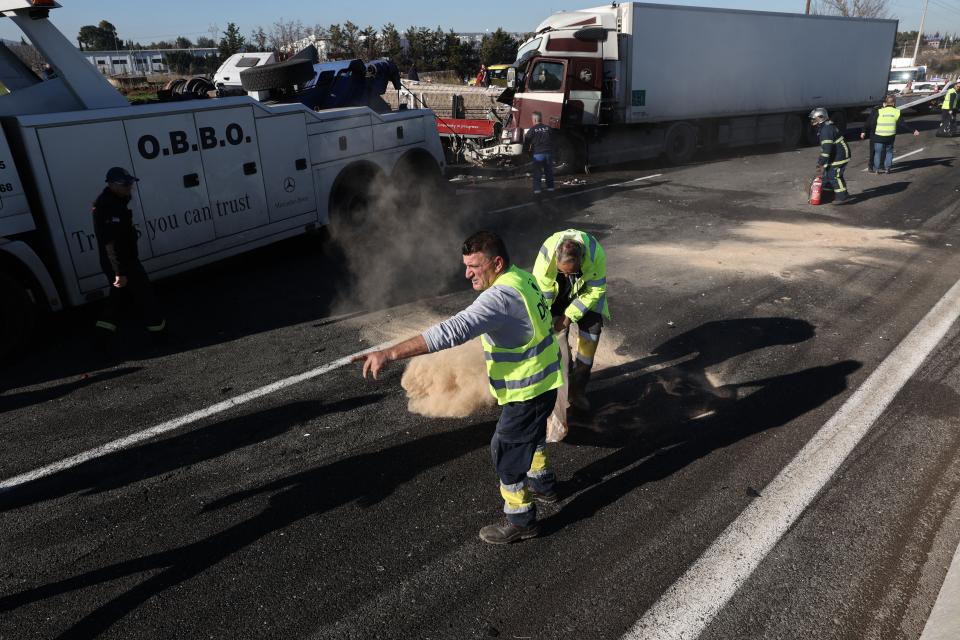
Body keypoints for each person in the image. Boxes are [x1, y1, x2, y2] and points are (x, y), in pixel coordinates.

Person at [354, 231, 563, 545]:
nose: (467, 274)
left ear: (497, 263)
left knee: (504, 450)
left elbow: (451, 331)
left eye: (475, 267)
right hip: (546, 382)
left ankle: (521, 519)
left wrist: (390, 353)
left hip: (528, 390)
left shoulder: (499, 297)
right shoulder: (523, 278)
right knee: (531, 437)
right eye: (465, 265)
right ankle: (544, 485)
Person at [532, 229, 609, 413]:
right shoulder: (547, 254)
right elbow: (541, 294)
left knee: (589, 341)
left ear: (581, 260)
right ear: (556, 260)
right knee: (557, 347)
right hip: (556, 295)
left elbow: (596, 290)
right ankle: (561, 389)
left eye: (571, 272)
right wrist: (548, 322)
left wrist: (568, 317)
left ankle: (577, 389)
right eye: (562, 271)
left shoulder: (595, 252)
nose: (567, 276)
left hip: (586, 293)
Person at [93, 166, 166, 343]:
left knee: (119, 301)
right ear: (111, 185)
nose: (129, 187)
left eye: (130, 183)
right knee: (144, 296)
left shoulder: (117, 202)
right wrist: (119, 273)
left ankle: (101, 339)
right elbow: (109, 243)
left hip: (125, 261)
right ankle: (160, 336)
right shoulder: (108, 206)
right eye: (125, 184)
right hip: (122, 263)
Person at [860, 95, 919, 174]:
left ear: (886, 103)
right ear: (893, 103)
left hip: (878, 134)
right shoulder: (893, 111)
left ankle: (878, 168)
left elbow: (872, 123)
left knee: (878, 152)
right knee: (887, 152)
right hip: (888, 135)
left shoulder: (880, 111)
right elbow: (902, 124)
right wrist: (913, 131)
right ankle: (884, 168)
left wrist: (871, 131)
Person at [809, 107, 851, 204]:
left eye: (814, 119)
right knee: (829, 174)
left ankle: (842, 197)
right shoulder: (825, 127)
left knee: (834, 176)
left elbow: (826, 151)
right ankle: (832, 194)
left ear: (820, 118)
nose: (812, 121)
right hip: (836, 154)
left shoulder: (825, 130)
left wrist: (820, 163)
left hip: (840, 155)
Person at [523, 111, 555, 195]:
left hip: (538, 155)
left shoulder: (532, 129)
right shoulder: (548, 128)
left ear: (534, 119)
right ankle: (551, 190)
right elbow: (554, 141)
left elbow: (526, 142)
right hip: (548, 154)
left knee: (537, 173)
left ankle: (537, 191)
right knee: (549, 173)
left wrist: (526, 153)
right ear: (541, 119)